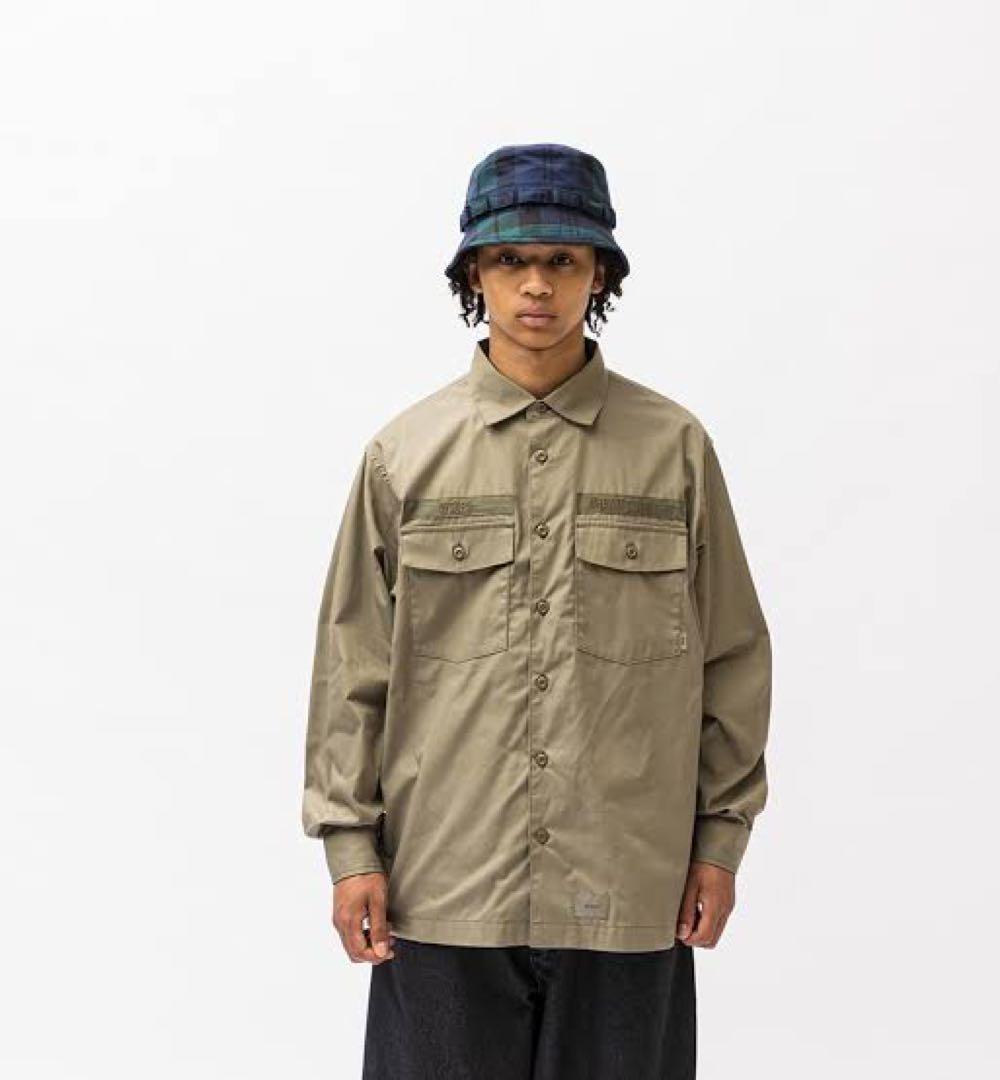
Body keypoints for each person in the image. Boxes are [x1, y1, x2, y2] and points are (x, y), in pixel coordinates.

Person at [301, 142, 773, 1080]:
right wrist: (352, 850)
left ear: (601, 275)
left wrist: (720, 843)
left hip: (626, 883)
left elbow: (732, 655)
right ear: (473, 274)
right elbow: (352, 670)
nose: (536, 286)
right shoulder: (405, 456)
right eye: (511, 259)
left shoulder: (674, 450)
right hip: (443, 887)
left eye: (563, 259)